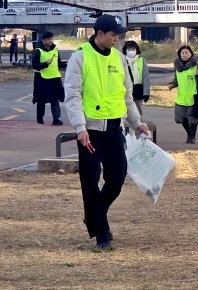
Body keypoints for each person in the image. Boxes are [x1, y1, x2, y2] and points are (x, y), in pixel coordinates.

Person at [64, 14, 150, 251]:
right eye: (113, 35)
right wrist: (80, 128)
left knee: (117, 178)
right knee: (90, 181)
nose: (117, 39)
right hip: (90, 132)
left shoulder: (120, 59)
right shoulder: (80, 58)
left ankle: (94, 215)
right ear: (99, 34)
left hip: (115, 129)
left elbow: (127, 95)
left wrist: (136, 123)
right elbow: (72, 96)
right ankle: (102, 233)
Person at [168, 45, 198, 144]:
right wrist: (172, 84)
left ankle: (192, 137)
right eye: (182, 53)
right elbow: (176, 80)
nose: (184, 55)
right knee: (181, 119)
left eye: (186, 53)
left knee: (193, 120)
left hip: (193, 96)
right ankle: (189, 134)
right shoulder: (177, 67)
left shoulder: (197, 65)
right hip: (181, 97)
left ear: (191, 54)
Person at [31, 31, 66, 125]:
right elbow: (34, 65)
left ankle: (56, 119)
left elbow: (59, 63)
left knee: (55, 99)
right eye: (48, 39)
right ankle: (40, 117)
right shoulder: (38, 51)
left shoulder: (55, 50)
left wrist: (68, 64)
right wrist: (45, 64)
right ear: (43, 40)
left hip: (55, 78)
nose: (50, 41)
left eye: (51, 39)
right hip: (42, 79)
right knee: (41, 99)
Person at [123, 41, 151, 116]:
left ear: (136, 50)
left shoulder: (141, 60)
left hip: (137, 89)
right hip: (125, 89)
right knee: (124, 110)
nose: (131, 51)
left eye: (133, 49)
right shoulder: (122, 60)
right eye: (129, 49)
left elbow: (146, 77)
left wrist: (146, 93)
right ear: (125, 50)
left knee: (138, 110)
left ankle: (138, 124)